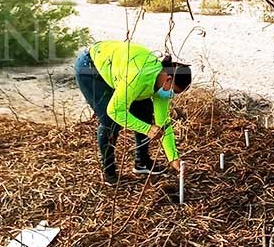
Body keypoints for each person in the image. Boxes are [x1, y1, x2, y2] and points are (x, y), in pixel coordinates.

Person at [74, 40, 191, 186]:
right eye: (174, 91)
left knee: (144, 111)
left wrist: (173, 158)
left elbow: (163, 124)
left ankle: (141, 162)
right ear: (168, 79)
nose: (172, 96)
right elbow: (115, 111)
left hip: (120, 71)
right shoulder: (137, 77)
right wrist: (146, 129)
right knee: (110, 123)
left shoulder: (163, 88)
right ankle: (109, 172)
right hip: (91, 67)